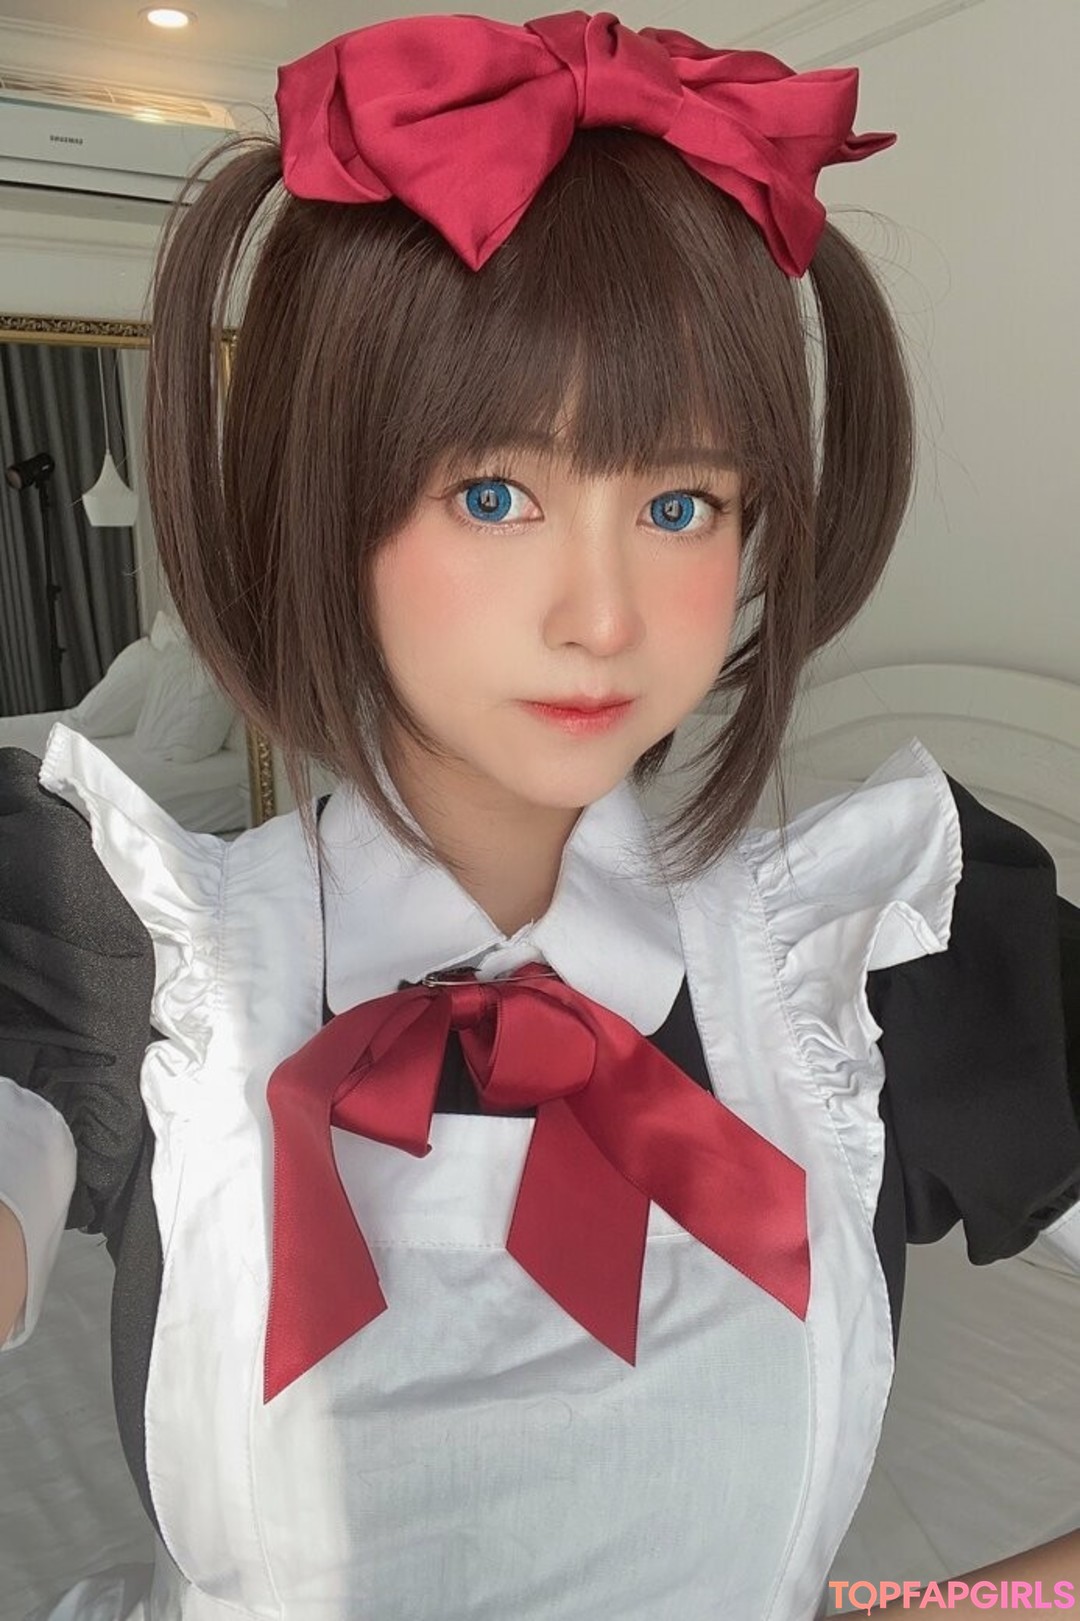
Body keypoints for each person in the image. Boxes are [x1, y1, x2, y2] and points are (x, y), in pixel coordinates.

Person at [0, 9, 1077, 1619]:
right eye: (494, 494)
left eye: (681, 502)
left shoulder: (882, 971)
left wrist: (941, 1611)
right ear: (325, 501)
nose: (604, 614)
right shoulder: (128, 965)